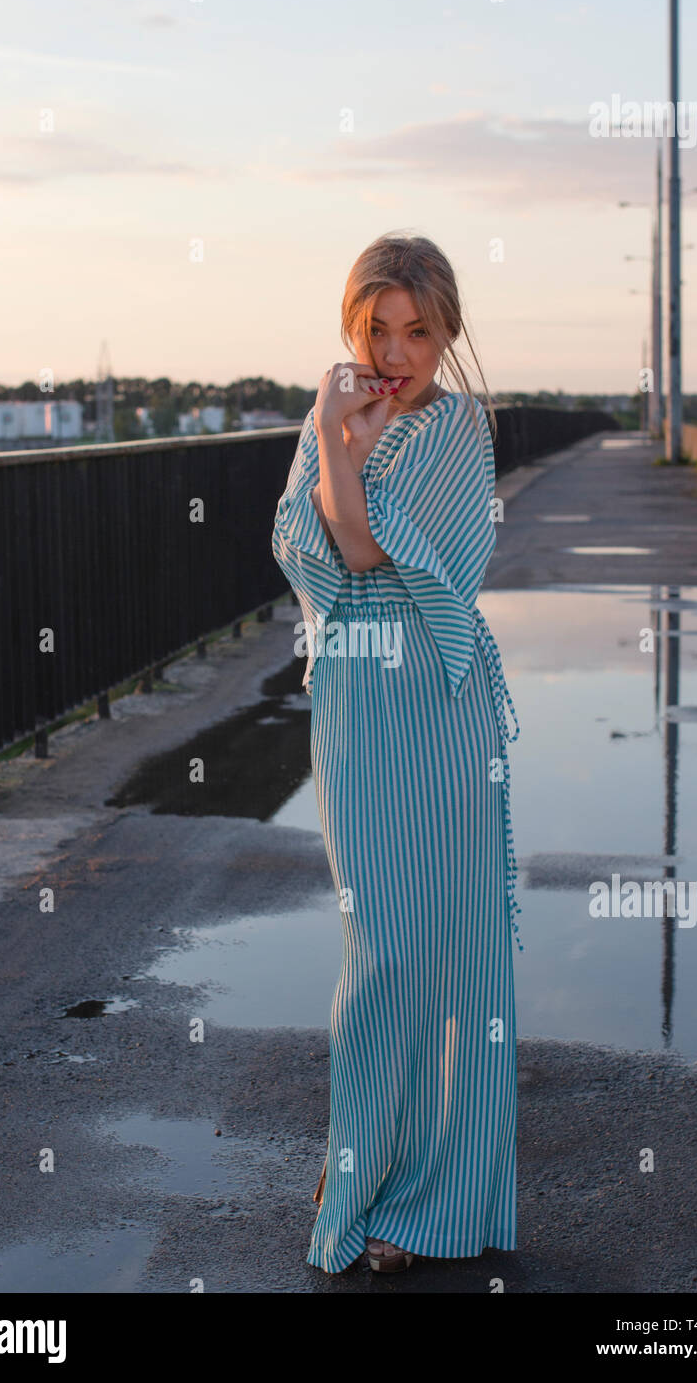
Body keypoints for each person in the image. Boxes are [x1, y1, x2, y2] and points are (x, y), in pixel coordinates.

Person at [271, 231, 522, 1276]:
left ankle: (422, 1196)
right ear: (352, 323)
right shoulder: (329, 414)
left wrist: (345, 444)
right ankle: (356, 1161)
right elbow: (305, 543)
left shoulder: (463, 429)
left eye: (417, 330)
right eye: (377, 327)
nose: (396, 349)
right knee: (381, 947)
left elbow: (367, 547)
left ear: (447, 333)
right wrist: (337, 434)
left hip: (438, 697)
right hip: (356, 704)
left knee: (448, 950)